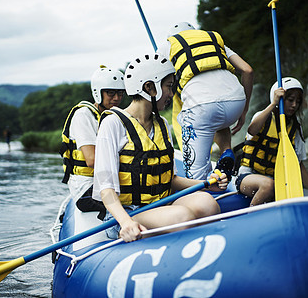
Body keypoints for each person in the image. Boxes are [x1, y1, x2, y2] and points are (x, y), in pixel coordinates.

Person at [93, 53, 228, 242]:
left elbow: (169, 179)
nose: (171, 95)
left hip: (161, 203)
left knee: (207, 204)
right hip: (128, 213)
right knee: (181, 217)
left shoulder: (162, 124)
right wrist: (125, 223)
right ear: (150, 87)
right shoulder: (113, 124)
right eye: (168, 87)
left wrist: (207, 185)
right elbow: (106, 190)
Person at [157, 22, 254, 181]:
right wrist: (244, 111)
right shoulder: (211, 40)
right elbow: (248, 70)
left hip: (203, 107)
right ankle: (225, 152)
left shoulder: (168, 45)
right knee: (218, 120)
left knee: (195, 178)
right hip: (236, 102)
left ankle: (204, 192)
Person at [236, 77, 308, 206]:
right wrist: (273, 104)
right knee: (269, 185)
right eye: (290, 100)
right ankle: (250, 215)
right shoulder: (262, 116)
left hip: (276, 179)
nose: (294, 105)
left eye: (298, 101)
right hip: (247, 176)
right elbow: (252, 130)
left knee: (272, 184)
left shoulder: (295, 128)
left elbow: (299, 164)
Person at [59, 65, 125, 219]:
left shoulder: (115, 117)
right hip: (86, 189)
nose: (116, 98)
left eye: (120, 93)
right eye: (111, 93)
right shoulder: (83, 115)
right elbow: (92, 160)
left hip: (105, 182)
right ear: (98, 92)